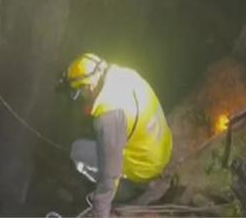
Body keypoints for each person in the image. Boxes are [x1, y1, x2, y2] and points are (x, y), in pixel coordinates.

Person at [60, 53, 173, 218]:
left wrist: (100, 211)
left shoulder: (108, 117)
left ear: (89, 87)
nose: (81, 97)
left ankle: (127, 190)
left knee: (77, 151)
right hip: (162, 146)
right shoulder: (125, 74)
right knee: (108, 142)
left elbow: (110, 173)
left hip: (145, 169)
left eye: (80, 92)